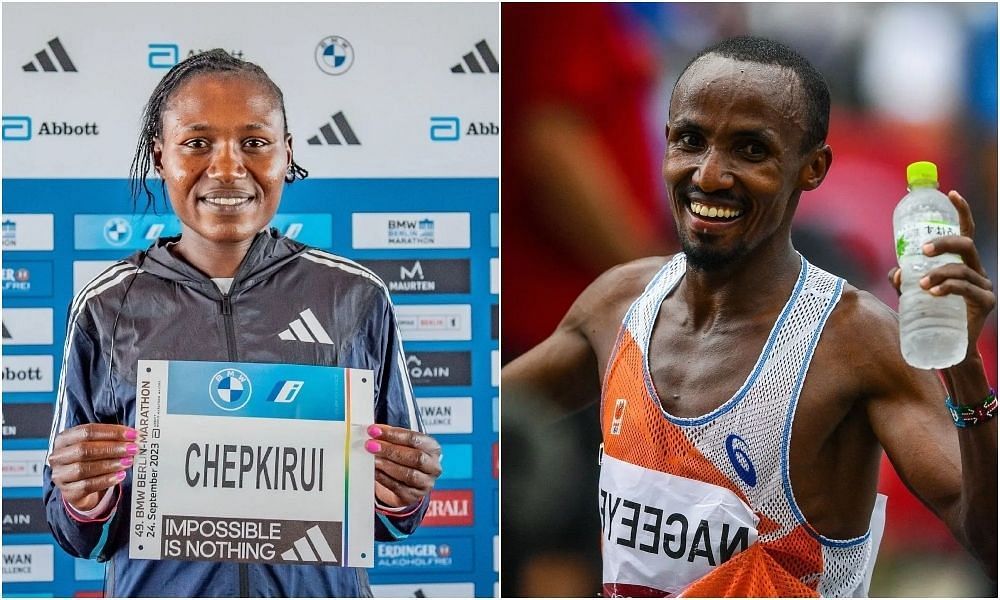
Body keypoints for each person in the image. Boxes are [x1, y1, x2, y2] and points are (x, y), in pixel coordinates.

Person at [502, 36, 996, 597]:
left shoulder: (853, 342)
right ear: (664, 144)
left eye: (751, 151)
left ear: (812, 169)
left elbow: (989, 543)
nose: (709, 176)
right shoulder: (619, 304)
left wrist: (963, 370)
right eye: (690, 141)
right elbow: (466, 425)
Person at [43, 50, 442, 597]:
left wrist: (402, 491)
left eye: (254, 143)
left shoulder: (354, 296)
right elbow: (78, 535)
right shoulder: (105, 305)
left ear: (287, 155)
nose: (228, 168)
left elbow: (392, 520)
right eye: (197, 142)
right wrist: (82, 499)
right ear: (161, 158)